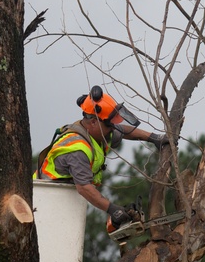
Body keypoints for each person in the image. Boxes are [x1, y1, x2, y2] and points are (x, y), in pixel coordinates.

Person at [33, 86, 169, 229]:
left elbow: (123, 130)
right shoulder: (77, 149)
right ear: (93, 122)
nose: (113, 129)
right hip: (45, 199)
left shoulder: (98, 131)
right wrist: (113, 209)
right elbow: (84, 188)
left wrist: (154, 138)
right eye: (110, 126)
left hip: (66, 198)